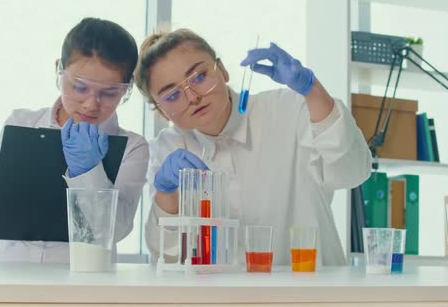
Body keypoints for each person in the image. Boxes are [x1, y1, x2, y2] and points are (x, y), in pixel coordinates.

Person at [134, 29, 371, 266]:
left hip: (307, 294)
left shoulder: (288, 109)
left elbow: (352, 171)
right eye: (173, 95)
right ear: (160, 111)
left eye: (198, 77)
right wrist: (165, 194)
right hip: (220, 299)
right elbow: (168, 258)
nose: (193, 97)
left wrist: (314, 91)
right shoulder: (168, 149)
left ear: (223, 70)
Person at [0, 17, 149, 263]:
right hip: (10, 273)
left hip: (84, 284)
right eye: (79, 88)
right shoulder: (21, 123)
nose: (91, 104)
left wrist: (90, 173)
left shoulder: (132, 146)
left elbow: (115, 231)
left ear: (126, 89)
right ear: (59, 70)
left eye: (109, 93)